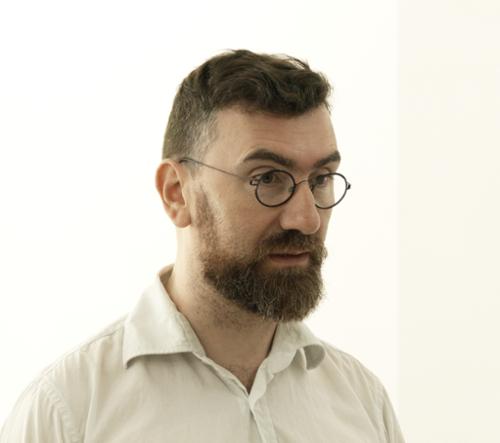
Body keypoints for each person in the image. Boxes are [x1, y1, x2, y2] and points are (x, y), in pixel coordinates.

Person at [0, 49, 404, 442]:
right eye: (267, 178)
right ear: (176, 193)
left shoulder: (362, 403)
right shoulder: (69, 413)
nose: (307, 218)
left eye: (320, 179)